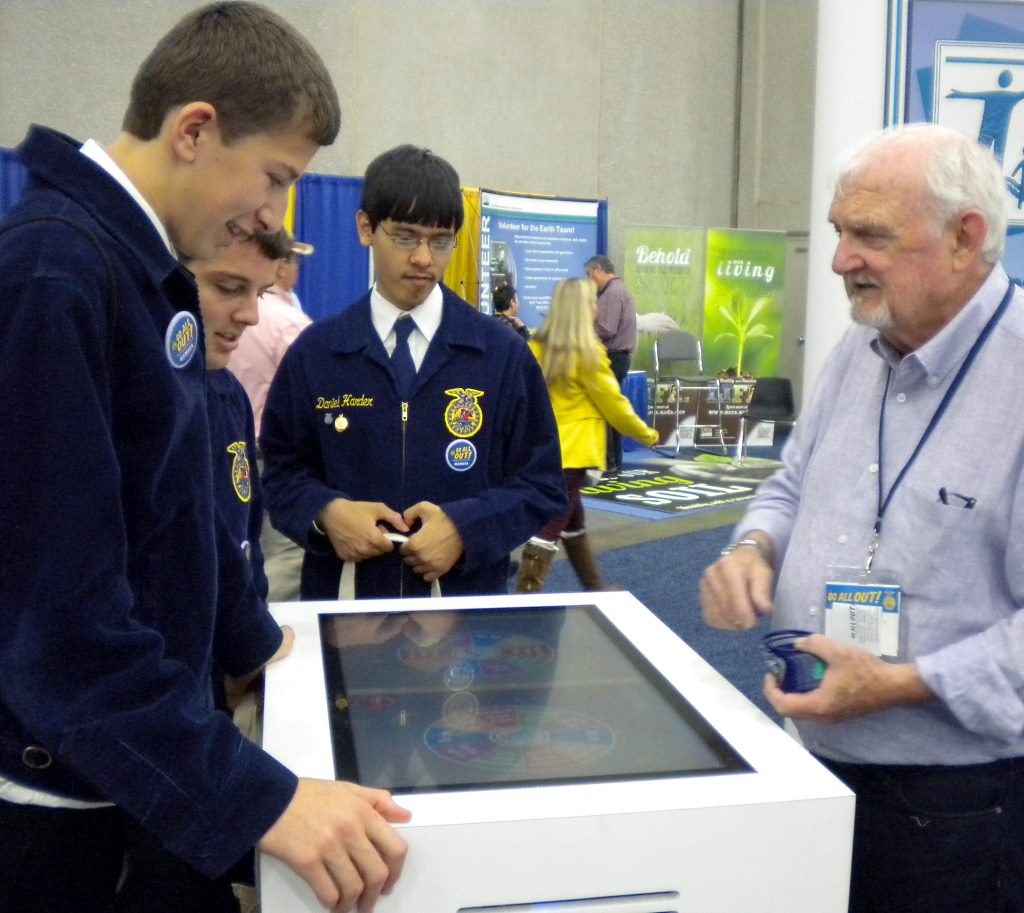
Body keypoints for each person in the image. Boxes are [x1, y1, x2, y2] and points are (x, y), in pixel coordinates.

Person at [0, 6, 410, 913]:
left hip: (145, 765)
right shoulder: (54, 274)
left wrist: (260, 649)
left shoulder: (132, 274)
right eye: (274, 178)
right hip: (68, 805)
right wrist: (257, 797)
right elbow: (56, 627)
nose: (268, 217)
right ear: (194, 130)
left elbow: (181, 524)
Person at [700, 122, 1024, 913]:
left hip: (957, 806)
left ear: (965, 238)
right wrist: (752, 545)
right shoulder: (862, 346)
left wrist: (902, 683)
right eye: (840, 232)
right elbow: (793, 480)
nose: (842, 260)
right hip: (818, 757)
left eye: (870, 236)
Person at [261, 144, 566, 601]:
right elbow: (281, 472)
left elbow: (540, 484)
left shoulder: (501, 355)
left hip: (463, 619)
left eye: (440, 241)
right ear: (367, 227)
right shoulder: (317, 353)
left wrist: (465, 528)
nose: (424, 258)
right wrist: (325, 512)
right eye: (405, 237)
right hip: (347, 611)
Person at [517, 278, 659, 593]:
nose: (597, 306)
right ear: (582, 309)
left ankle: (595, 591)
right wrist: (647, 434)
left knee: (573, 522)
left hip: (545, 450)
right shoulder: (588, 355)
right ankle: (526, 597)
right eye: (593, 301)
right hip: (575, 454)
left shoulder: (535, 347)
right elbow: (616, 406)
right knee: (552, 526)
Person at [230, 231, 314, 603]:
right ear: (280, 263)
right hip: (269, 455)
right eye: (293, 260)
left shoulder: (226, 308)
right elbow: (312, 398)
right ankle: (268, 637)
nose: (295, 268)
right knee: (286, 554)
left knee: (238, 547)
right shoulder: (289, 324)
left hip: (228, 446)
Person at [584, 255, 637, 473]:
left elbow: (606, 328)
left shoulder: (613, 292)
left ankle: (609, 461)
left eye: (589, 275)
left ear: (598, 269)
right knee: (610, 409)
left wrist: (580, 331)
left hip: (612, 358)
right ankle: (612, 461)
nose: (589, 280)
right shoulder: (617, 289)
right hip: (616, 358)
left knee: (605, 411)